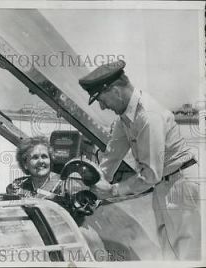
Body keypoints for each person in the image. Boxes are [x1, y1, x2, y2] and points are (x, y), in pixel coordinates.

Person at [78, 60, 201, 260]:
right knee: (168, 254)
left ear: (116, 90)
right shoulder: (124, 118)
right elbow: (111, 157)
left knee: (188, 256)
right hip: (163, 186)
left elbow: (150, 174)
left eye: (101, 99)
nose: (101, 107)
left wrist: (112, 191)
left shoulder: (148, 116)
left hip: (181, 186)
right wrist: (94, 183)